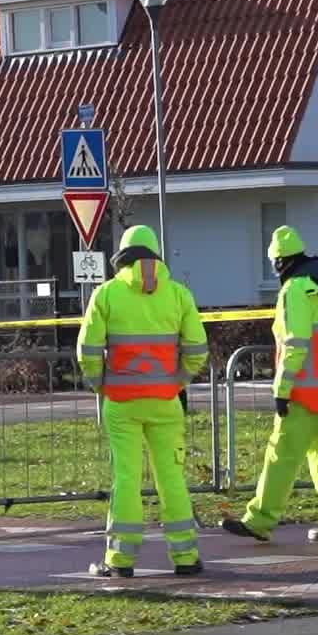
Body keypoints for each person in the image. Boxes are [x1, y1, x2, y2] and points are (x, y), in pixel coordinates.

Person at [76, 225, 210, 578]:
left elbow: (87, 350)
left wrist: (100, 385)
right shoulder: (178, 294)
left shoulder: (107, 294)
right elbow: (198, 349)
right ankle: (185, 556)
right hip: (166, 401)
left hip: (122, 403)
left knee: (126, 478)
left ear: (122, 257)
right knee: (172, 478)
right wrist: (178, 381)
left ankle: (120, 560)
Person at [222, 225, 318, 545]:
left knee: (280, 457)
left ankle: (260, 520)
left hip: (303, 393)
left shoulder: (294, 290)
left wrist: (281, 390)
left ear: (280, 262)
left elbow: (296, 344)